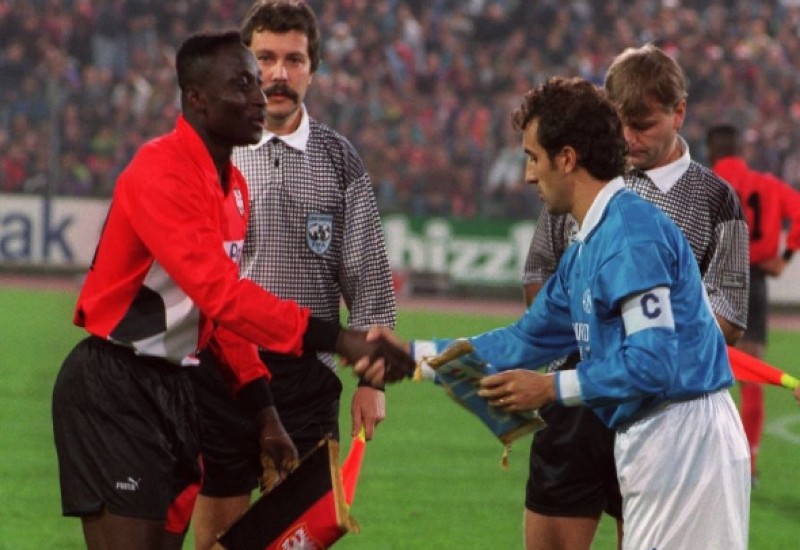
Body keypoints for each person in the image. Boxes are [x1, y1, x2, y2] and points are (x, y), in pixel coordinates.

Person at [51, 30, 412, 550]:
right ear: (197, 98)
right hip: (117, 387)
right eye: (242, 84)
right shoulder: (162, 171)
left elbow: (217, 315)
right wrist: (342, 340)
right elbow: (221, 294)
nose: (258, 98)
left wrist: (264, 411)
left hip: (175, 389)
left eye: (256, 86)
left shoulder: (232, 187)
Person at [358, 75, 751, 550]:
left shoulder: (630, 235)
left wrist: (550, 387)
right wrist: (415, 357)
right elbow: (524, 341)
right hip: (653, 436)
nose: (527, 175)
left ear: (566, 159)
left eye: (532, 157)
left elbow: (654, 363)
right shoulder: (588, 245)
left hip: (686, 440)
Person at [519, 44, 750, 550]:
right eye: (619, 122)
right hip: (575, 399)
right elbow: (540, 269)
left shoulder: (715, 198)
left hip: (659, 407)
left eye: (642, 124)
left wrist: (643, 341)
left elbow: (729, 311)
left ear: (679, 113)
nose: (628, 138)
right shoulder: (580, 176)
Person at [190, 3, 398, 548]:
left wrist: (371, 383)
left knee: (298, 539)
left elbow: (369, 278)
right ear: (243, 65)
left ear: (313, 68)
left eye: (293, 60)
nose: (279, 74)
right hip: (224, 374)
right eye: (265, 58)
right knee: (218, 535)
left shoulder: (340, 159)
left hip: (308, 380)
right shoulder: (215, 152)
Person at [706, 123, 800, 482]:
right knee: (752, 373)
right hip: (753, 279)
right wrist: (785, 256)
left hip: (711, 276)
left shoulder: (703, 183)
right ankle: (750, 461)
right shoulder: (766, 184)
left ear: (711, 152)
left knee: (701, 368)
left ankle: (709, 458)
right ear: (740, 152)